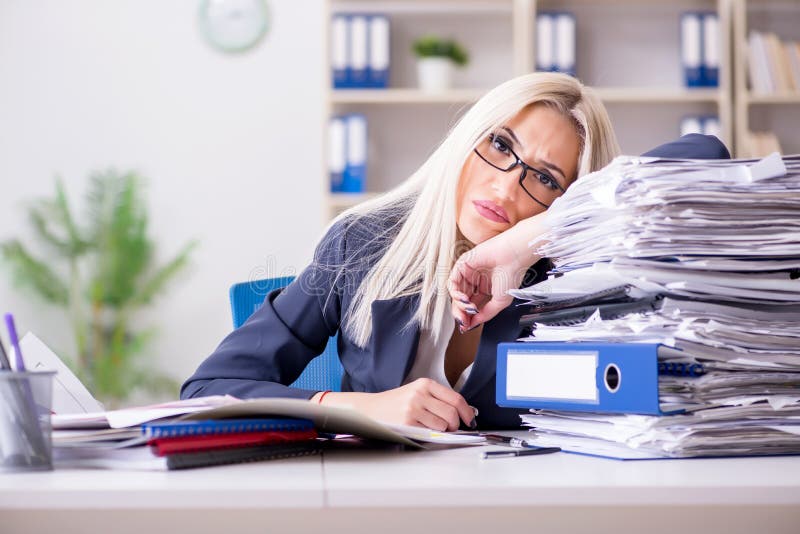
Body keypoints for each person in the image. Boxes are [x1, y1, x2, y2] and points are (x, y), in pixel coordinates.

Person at [181, 72, 730, 430]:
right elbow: (207, 389)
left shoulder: (571, 273)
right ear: (467, 138)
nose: (507, 188)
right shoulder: (363, 244)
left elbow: (706, 153)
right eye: (500, 145)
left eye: (544, 178)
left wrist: (525, 241)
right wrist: (359, 409)